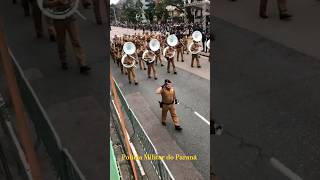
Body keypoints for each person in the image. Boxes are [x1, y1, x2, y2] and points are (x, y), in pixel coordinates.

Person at [43, 0, 91, 74]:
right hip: (58, 18)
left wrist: (70, 3)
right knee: (61, 41)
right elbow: (44, 4)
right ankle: (63, 59)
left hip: (70, 16)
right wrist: (57, 2)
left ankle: (82, 64)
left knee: (76, 41)